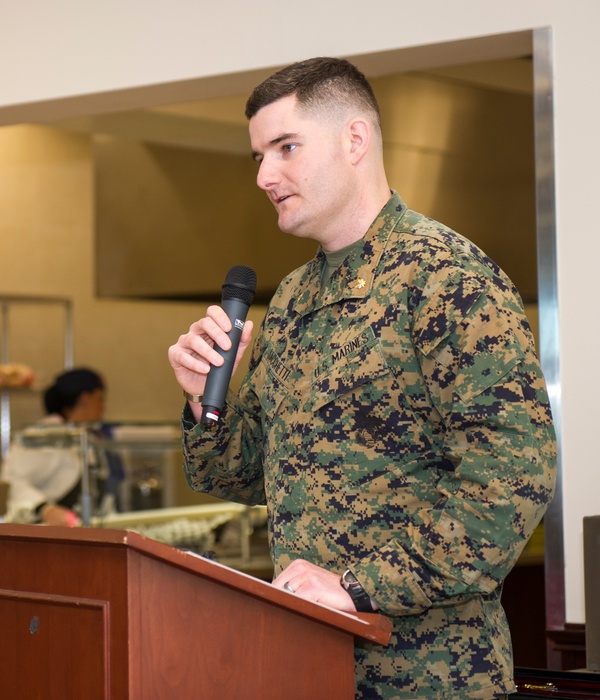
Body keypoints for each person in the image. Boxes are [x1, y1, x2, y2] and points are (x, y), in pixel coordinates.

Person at [167, 57, 556, 699]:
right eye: (258, 156)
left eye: (286, 147)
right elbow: (238, 474)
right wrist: (203, 403)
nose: (265, 175)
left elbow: (511, 481)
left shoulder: (445, 279)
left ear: (354, 139)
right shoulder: (293, 300)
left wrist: (355, 585)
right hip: (307, 665)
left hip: (430, 677)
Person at [0, 367, 111, 527]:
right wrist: (44, 509)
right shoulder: (44, 436)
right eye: (100, 399)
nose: (103, 408)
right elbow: (11, 481)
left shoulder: (84, 435)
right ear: (85, 398)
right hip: (48, 534)